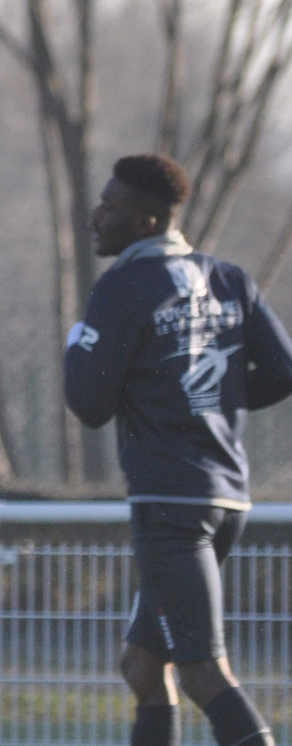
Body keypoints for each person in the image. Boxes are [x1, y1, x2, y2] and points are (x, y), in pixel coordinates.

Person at [65, 153, 292, 746]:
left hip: (169, 506)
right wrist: (208, 402)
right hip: (225, 501)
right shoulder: (229, 279)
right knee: (142, 667)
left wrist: (77, 347)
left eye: (109, 206)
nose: (96, 216)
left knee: (201, 670)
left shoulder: (124, 288)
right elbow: (283, 370)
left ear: (145, 222)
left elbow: (87, 405)